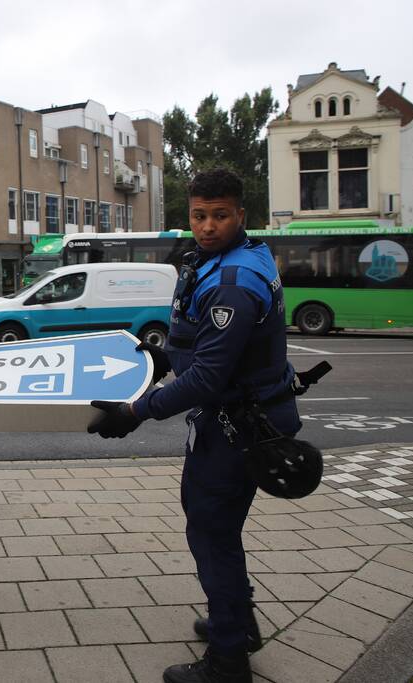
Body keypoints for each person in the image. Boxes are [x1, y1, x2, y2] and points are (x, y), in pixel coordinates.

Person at [88, 169, 300, 683]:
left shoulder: (233, 284)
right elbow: (208, 348)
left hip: (235, 428)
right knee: (220, 530)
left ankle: (228, 660)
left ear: (240, 215)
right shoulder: (238, 256)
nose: (207, 226)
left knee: (211, 534)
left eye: (220, 215)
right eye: (199, 216)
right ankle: (239, 624)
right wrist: (168, 357)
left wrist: (135, 412)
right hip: (245, 417)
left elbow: (208, 377)